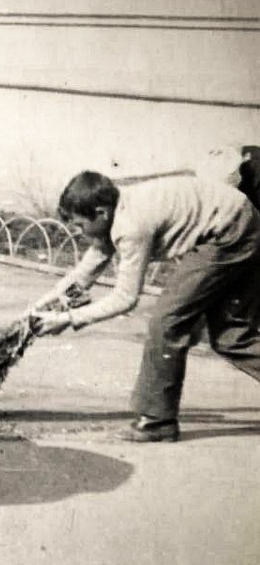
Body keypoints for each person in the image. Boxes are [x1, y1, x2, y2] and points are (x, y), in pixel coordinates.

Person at [30, 171, 260, 443]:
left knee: (167, 322)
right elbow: (88, 269)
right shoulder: (116, 208)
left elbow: (125, 298)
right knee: (232, 337)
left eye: (80, 225)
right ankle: (157, 419)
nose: (79, 233)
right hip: (245, 219)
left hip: (229, 233)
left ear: (101, 213)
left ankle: (156, 421)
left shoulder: (131, 226)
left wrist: (68, 318)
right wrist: (39, 307)